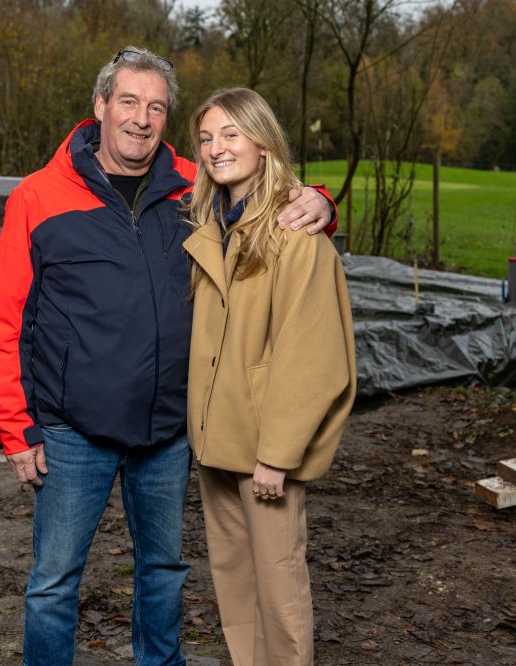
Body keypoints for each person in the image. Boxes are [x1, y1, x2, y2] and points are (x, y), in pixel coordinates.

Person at [0, 48, 336, 666]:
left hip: (169, 429)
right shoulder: (39, 198)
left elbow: (264, 191)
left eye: (156, 107)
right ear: (100, 106)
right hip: (73, 429)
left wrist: (323, 203)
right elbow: (4, 320)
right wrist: (16, 428)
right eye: (128, 101)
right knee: (55, 582)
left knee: (164, 572)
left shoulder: (190, 184)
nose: (141, 119)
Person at [183, 86, 357, 666]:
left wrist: (278, 454)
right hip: (218, 438)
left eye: (231, 133)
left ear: (263, 140)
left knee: (279, 591)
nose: (216, 148)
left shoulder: (295, 232)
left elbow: (311, 357)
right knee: (234, 582)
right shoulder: (212, 222)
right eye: (206, 137)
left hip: (265, 447)